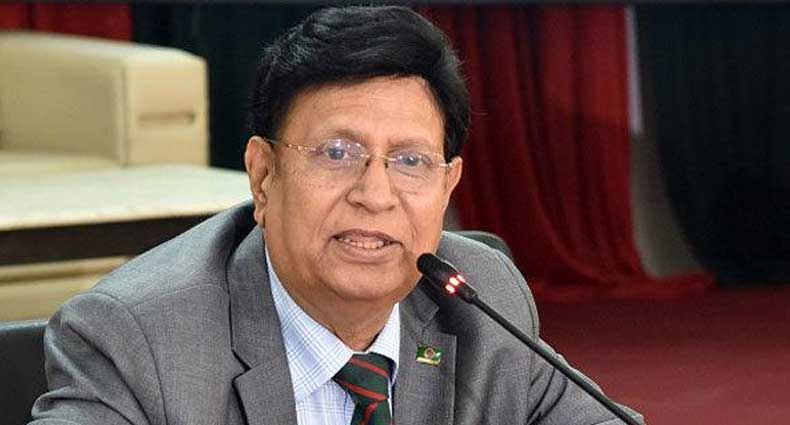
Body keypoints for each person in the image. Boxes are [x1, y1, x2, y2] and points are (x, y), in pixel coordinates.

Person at [30, 6, 643, 425]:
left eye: (410, 161)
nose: (375, 195)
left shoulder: (483, 296)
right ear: (263, 176)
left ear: (448, 184)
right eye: (337, 153)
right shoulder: (139, 339)